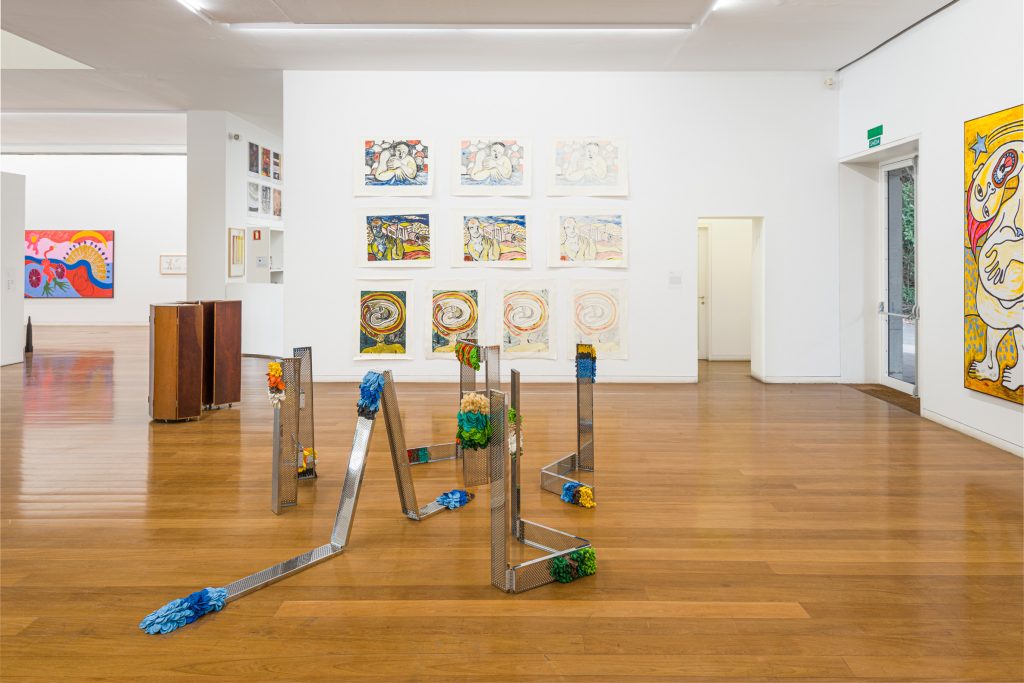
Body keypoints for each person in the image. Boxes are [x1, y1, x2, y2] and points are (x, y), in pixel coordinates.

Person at [967, 140, 1023, 391]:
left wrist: (1009, 249)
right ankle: (991, 361)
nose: (990, 190)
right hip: (996, 296)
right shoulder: (1012, 201)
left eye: (981, 192)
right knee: (996, 320)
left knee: (1019, 322)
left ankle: (1020, 367)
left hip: (1017, 293)